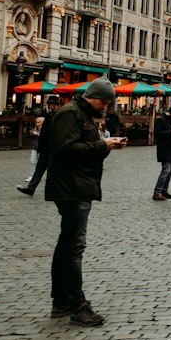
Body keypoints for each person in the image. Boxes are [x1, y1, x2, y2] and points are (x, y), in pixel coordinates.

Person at [44, 77, 126, 326]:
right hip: (71, 188)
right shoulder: (70, 114)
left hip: (77, 185)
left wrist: (104, 146)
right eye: (104, 102)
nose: (106, 107)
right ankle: (77, 305)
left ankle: (61, 301)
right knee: (74, 247)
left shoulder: (81, 114)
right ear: (95, 97)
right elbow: (66, 149)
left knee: (66, 244)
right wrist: (103, 145)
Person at [152, 106, 171, 201]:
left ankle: (164, 190)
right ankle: (157, 192)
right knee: (166, 170)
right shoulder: (161, 120)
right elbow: (157, 134)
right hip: (164, 149)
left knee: (169, 172)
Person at [22, 116, 46, 185]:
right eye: (36, 122)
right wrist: (32, 134)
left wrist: (37, 134)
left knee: (42, 163)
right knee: (32, 161)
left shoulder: (44, 129)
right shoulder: (36, 129)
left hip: (41, 148)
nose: (37, 124)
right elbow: (34, 139)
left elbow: (44, 137)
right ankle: (31, 175)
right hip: (35, 147)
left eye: (38, 122)